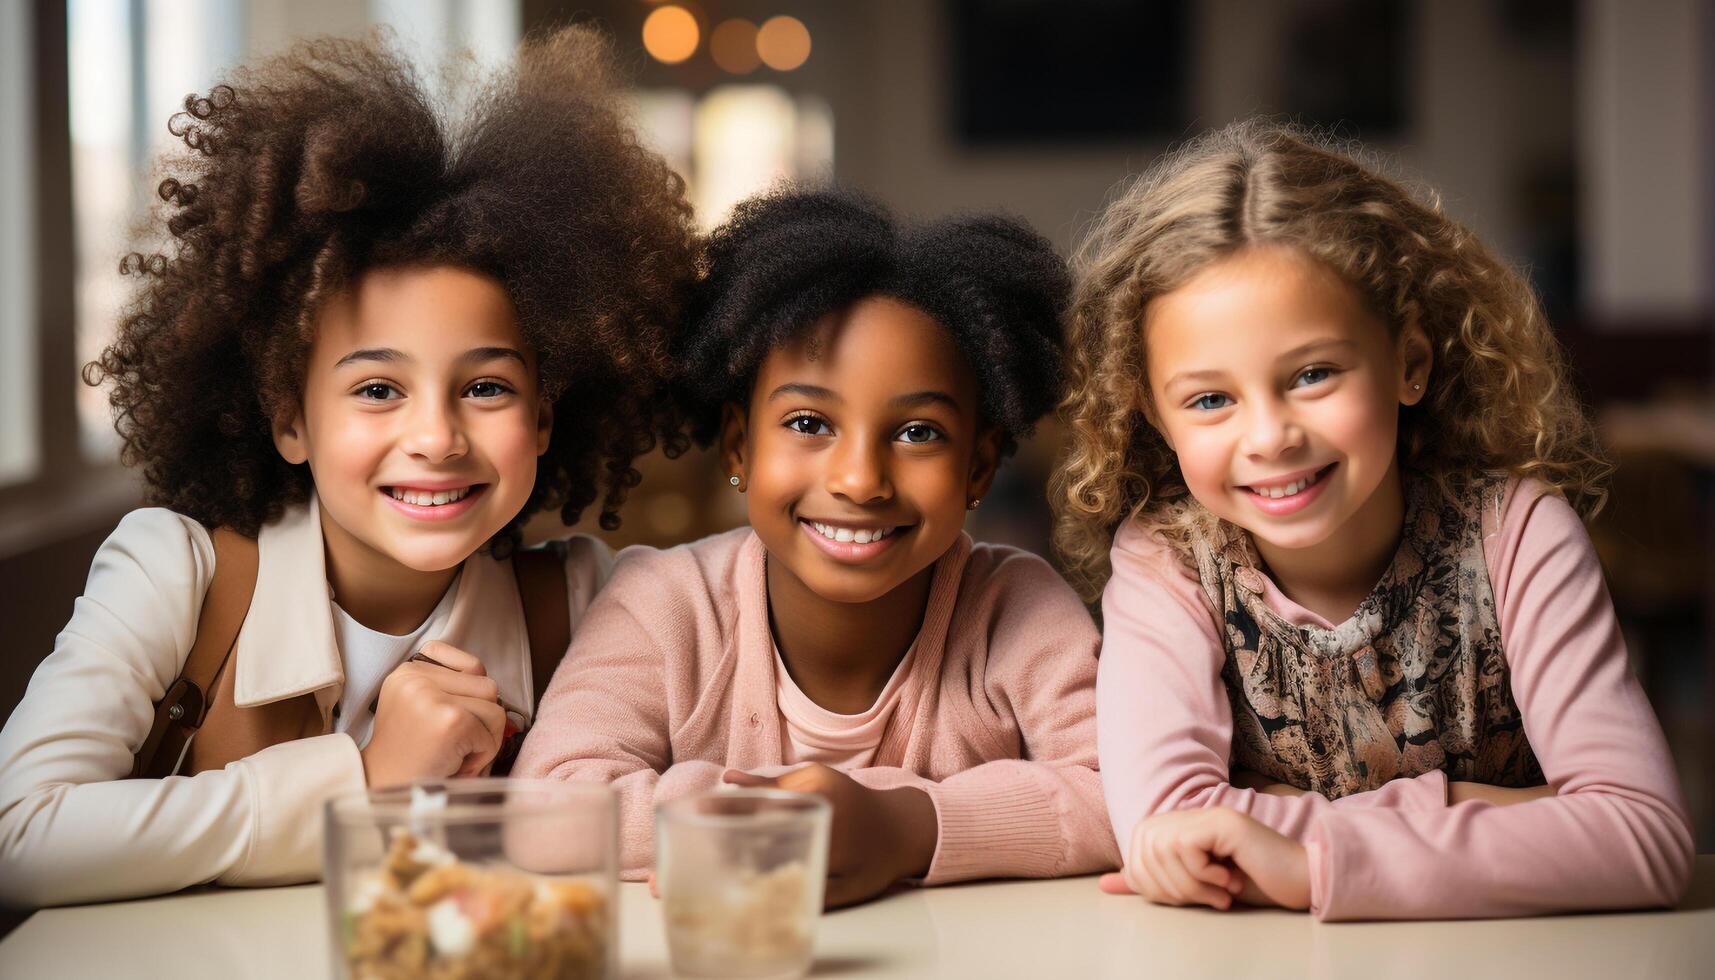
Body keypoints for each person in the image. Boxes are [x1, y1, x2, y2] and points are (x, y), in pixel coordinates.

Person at [0, 27, 697, 907]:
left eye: (485, 386)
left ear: (547, 416)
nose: (437, 437)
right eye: (376, 389)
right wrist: (361, 782)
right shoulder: (174, 574)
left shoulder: (584, 604)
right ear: (289, 419)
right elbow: (18, 837)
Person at [1054, 121, 1694, 919]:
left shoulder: (1517, 533)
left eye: (1313, 373)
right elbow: (1165, 830)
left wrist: (1307, 861)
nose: (1269, 437)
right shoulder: (1166, 562)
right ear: (1152, 413)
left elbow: (1642, 838)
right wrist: (1489, 807)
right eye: (1210, 399)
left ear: (1409, 364)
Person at [516, 188, 1118, 907]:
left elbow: (1126, 795)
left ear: (977, 467)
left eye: (918, 433)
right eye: (808, 422)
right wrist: (792, 819)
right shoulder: (661, 604)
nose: (859, 480)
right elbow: (544, 810)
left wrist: (905, 825)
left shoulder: (1015, 609)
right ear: (740, 445)